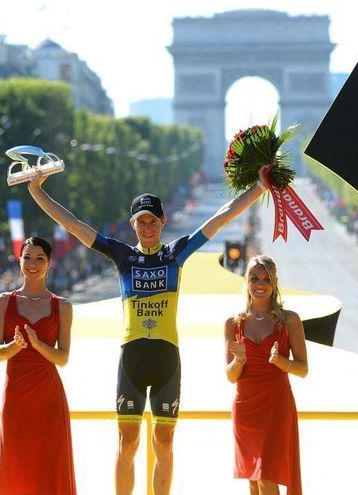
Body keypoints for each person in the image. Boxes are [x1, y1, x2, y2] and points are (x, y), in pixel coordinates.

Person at [28, 167, 270, 495]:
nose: (147, 227)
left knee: (164, 444)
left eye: (152, 221)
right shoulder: (122, 256)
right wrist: (37, 192)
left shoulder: (175, 253)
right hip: (132, 357)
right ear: (133, 225)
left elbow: (222, 216)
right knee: (127, 443)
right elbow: (73, 224)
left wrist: (259, 186)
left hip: (167, 357)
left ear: (162, 223)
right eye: (141, 222)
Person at [0, 237, 76, 494]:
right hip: (16, 397)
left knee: (50, 468)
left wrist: (39, 346)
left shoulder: (62, 306)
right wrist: (14, 347)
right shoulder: (2, 302)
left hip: (49, 398)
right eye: (27, 257)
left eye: (40, 259)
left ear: (49, 264)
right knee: (16, 466)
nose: (33, 264)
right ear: (19, 261)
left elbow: (62, 358)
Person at [225, 255, 308, 495]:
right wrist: (239, 359)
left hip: (276, 406)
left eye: (266, 279)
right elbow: (230, 376)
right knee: (253, 478)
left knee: (266, 475)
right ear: (246, 281)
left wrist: (281, 362)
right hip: (245, 410)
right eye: (254, 278)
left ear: (275, 284)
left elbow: (303, 369)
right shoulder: (233, 323)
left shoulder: (290, 320)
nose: (260, 285)